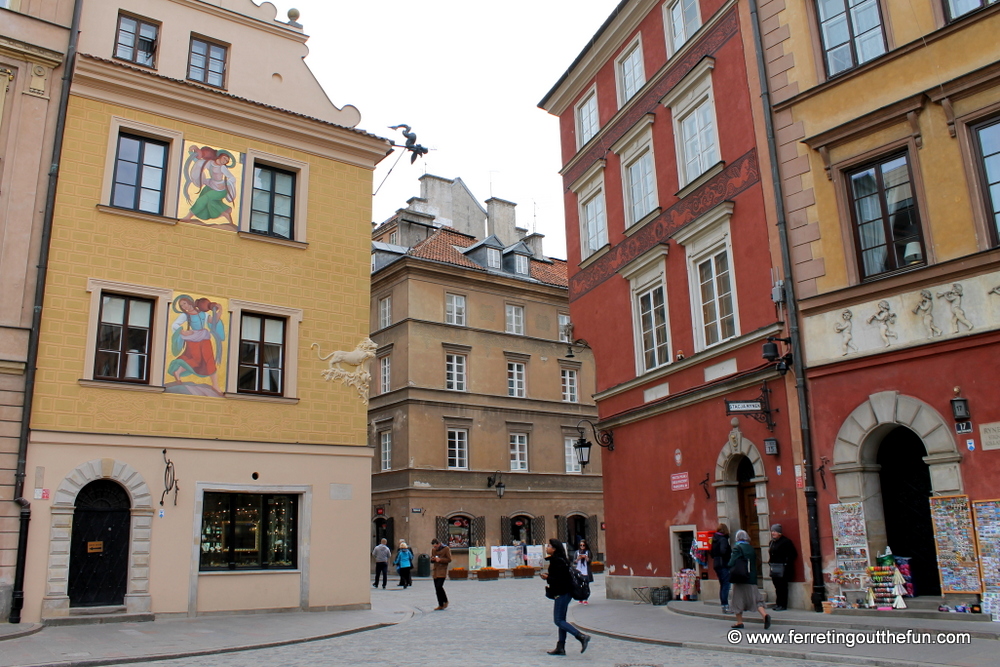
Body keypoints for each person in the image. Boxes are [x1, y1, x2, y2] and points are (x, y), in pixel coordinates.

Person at [540, 538, 591, 655]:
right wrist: (549, 576)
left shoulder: (558, 561)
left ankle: (581, 636)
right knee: (562, 620)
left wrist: (547, 578)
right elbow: (561, 576)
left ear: (554, 549)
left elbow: (561, 580)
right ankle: (560, 647)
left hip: (562, 593)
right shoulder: (560, 560)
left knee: (558, 620)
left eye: (549, 546)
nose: (547, 548)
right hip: (564, 592)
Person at [728, 530, 771, 630]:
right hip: (751, 578)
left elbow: (731, 562)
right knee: (756, 599)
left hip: (740, 578)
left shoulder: (737, 548)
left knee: (737, 600)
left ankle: (739, 622)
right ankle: (765, 616)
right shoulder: (751, 548)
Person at [768, 524, 797, 611]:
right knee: (777, 586)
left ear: (779, 533)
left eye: (775, 531)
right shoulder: (772, 542)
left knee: (782, 587)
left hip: (783, 569)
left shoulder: (786, 542)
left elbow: (793, 554)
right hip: (774, 568)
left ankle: (783, 604)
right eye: (772, 531)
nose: (773, 533)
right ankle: (778, 603)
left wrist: (785, 563)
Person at [711, 523, 732, 613]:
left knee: (722, 585)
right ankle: (725, 606)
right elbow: (723, 551)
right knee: (726, 585)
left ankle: (724, 605)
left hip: (716, 564)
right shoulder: (723, 539)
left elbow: (711, 553)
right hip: (723, 564)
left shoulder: (714, 539)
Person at [430, 538, 452, 610]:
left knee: (439, 586)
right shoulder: (433, 550)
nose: (435, 548)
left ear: (439, 544)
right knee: (437, 588)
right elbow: (432, 559)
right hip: (436, 571)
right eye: (434, 546)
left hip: (442, 570)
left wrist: (440, 560)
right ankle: (440, 604)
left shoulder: (446, 549)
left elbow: (449, 559)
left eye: (436, 546)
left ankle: (445, 601)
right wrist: (432, 559)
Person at [572, 539, 593, 605]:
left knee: (586, 585)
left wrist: (586, 557)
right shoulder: (577, 552)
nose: (582, 546)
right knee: (579, 585)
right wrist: (578, 558)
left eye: (583, 545)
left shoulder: (588, 552)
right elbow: (574, 562)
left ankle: (585, 599)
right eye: (581, 545)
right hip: (578, 570)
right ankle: (580, 598)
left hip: (586, 571)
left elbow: (590, 561)